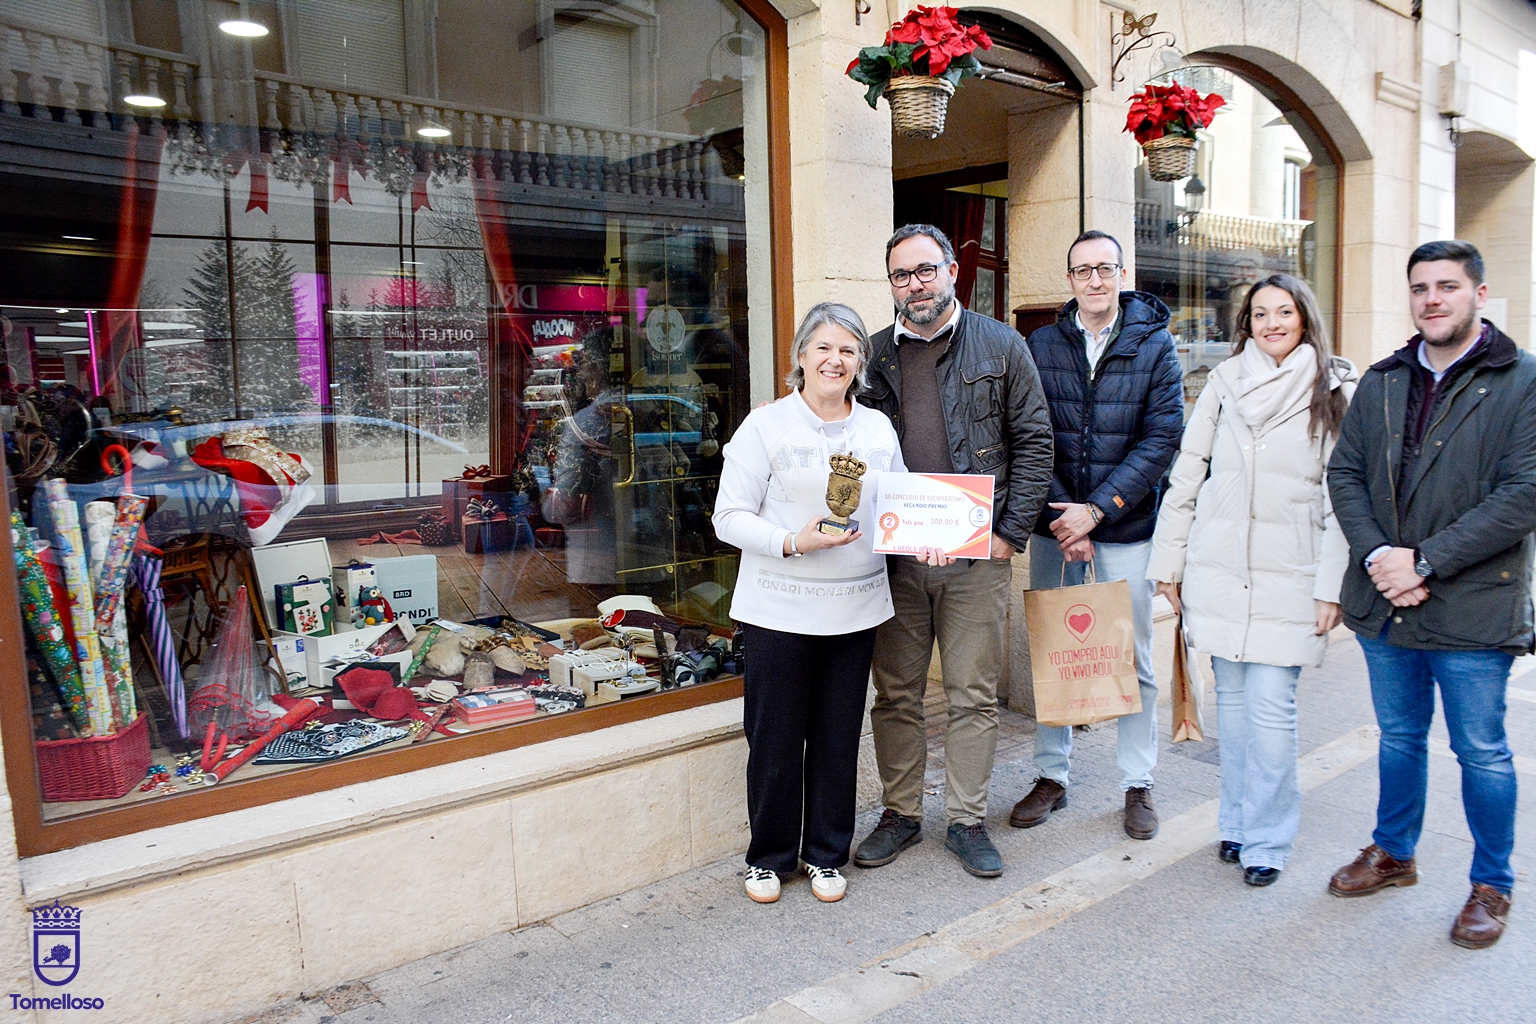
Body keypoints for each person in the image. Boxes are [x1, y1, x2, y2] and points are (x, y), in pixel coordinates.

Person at [1326, 240, 1536, 948]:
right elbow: (1345, 475)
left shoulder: (1522, 380)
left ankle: (1492, 884)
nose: (1432, 299)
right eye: (1420, 288)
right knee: (1400, 738)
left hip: (1476, 602)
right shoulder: (1384, 380)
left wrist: (1427, 562)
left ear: (1479, 291)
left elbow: (1524, 494)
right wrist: (1383, 556)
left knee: (1481, 750)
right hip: (1386, 599)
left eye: (1447, 286)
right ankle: (1394, 853)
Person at [851, 224, 1054, 879]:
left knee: (971, 696)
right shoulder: (873, 357)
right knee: (896, 695)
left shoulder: (1002, 345)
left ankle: (966, 820)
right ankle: (901, 814)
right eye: (901, 276)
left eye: (925, 270)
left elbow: (1035, 442)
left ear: (951, 272)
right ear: (891, 285)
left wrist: (1005, 534)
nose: (915, 285)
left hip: (976, 560)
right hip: (898, 563)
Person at [1147, 274, 1356, 885]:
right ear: (1246, 324)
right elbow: (1188, 474)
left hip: (1290, 572)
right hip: (1221, 567)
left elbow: (1342, 495)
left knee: (1271, 713)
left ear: (1304, 317)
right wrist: (1170, 562)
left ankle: (1269, 838)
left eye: (1283, 312)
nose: (1271, 323)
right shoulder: (1224, 381)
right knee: (1234, 710)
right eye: (1259, 314)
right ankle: (1236, 823)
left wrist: (1330, 585)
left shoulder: (1334, 388)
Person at [713, 302, 908, 905]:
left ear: (860, 363)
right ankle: (768, 858)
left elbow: (899, 502)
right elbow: (727, 518)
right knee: (774, 740)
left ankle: (826, 855)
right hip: (779, 610)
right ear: (800, 356)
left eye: (848, 349)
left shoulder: (876, 429)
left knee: (836, 737)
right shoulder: (766, 426)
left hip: (855, 609)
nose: (835, 359)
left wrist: (928, 539)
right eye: (822, 347)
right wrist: (793, 541)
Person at [1009, 230, 1184, 842]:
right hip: (1056, 525)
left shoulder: (1154, 345)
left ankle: (1138, 783)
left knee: (1131, 657)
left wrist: (1099, 511)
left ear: (1121, 273)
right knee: (1056, 650)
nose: (1094, 280)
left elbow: (1162, 439)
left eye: (1105, 268)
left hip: (1126, 526)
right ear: (1070, 280)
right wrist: (1068, 515)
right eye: (1082, 270)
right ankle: (1051, 776)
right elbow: (1028, 431)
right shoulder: (1040, 345)